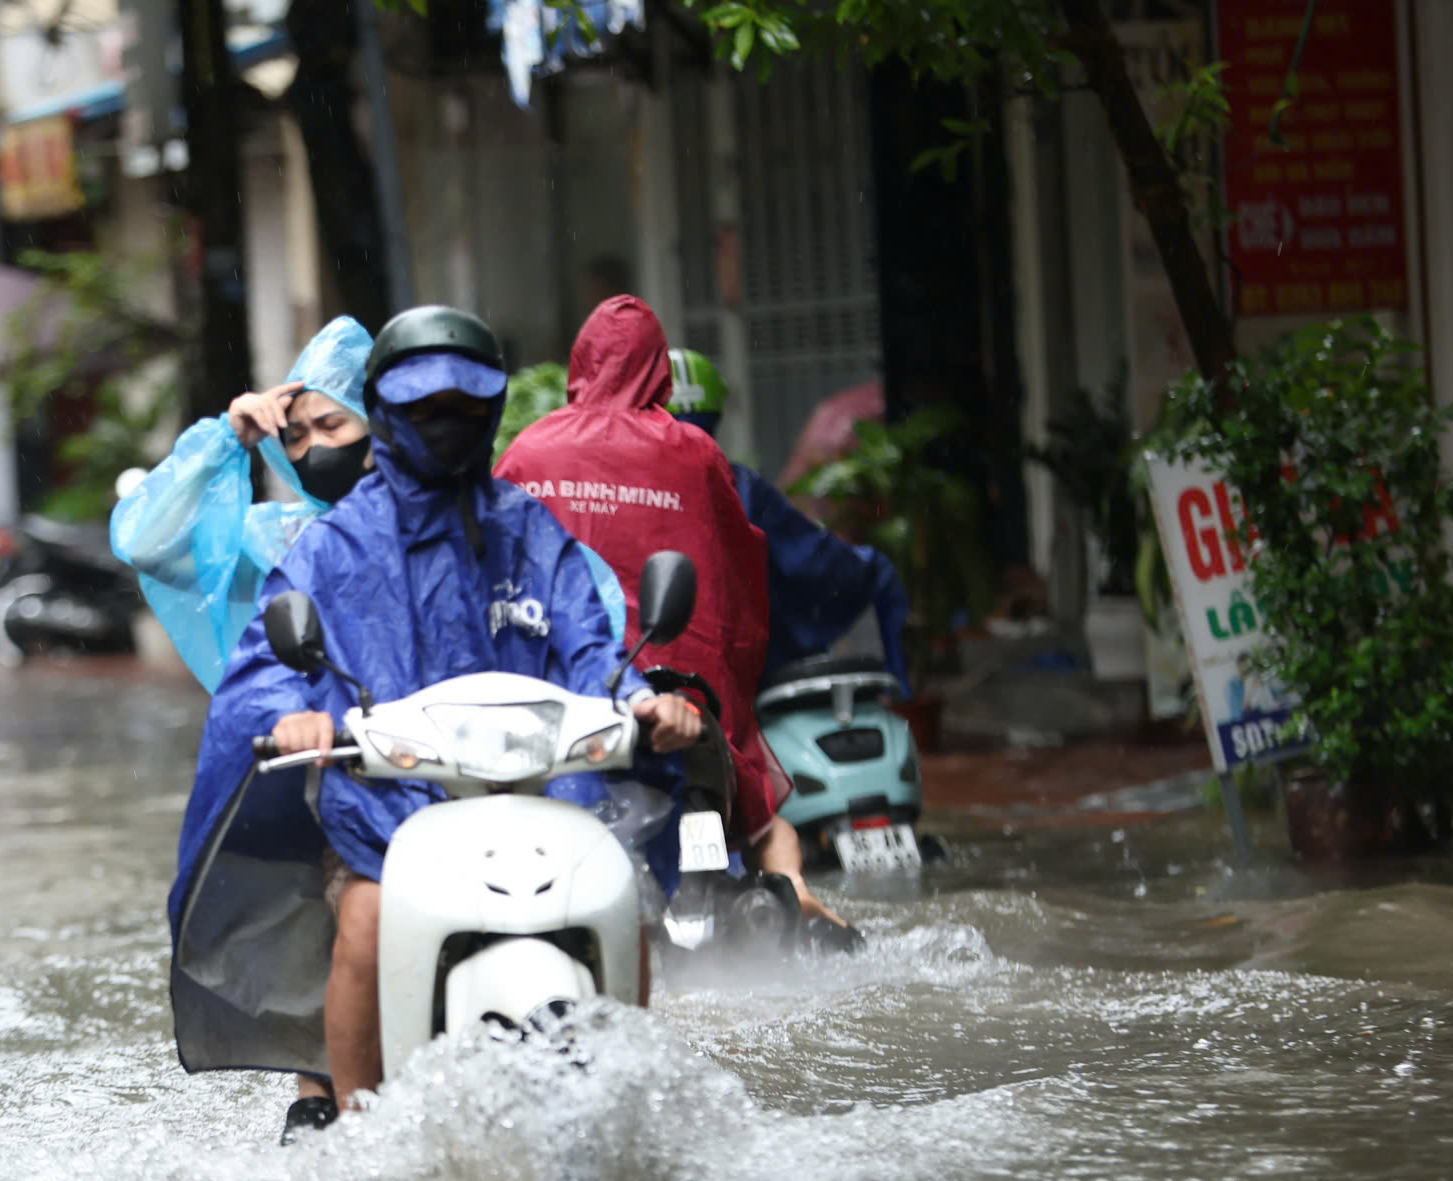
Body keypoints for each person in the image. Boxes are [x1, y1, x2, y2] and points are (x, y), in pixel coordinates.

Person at [166, 307, 706, 1138]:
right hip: (389, 808)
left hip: (546, 798)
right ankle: (357, 1125)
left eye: (461, 408)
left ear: (487, 413)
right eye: (423, 410)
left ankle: (626, 1110)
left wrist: (643, 701)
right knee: (368, 918)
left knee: (619, 895)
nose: (442, 426)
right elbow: (263, 666)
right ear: (387, 414)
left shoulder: (529, 530)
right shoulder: (336, 544)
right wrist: (294, 717)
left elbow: (593, 645)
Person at [496, 297, 834, 920]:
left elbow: (494, 572)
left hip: (559, 691)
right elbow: (734, 568)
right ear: (657, 370)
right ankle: (792, 894)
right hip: (678, 683)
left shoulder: (528, 450)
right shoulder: (694, 452)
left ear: (580, 364)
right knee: (755, 811)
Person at [110, 316, 376, 690]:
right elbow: (147, 547)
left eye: (331, 426)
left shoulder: (428, 520)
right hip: (313, 734)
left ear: (377, 428)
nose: (314, 447)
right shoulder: (279, 539)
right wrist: (224, 441)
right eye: (296, 437)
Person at [664, 349, 914, 694]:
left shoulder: (602, 490)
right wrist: (871, 567)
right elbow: (816, 562)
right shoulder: (739, 487)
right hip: (745, 686)